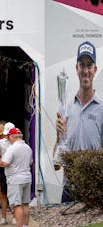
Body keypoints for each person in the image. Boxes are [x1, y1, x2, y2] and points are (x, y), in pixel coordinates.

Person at [55, 41, 103, 202]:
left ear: (95, 70)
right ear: (76, 69)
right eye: (82, 65)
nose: (85, 70)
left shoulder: (101, 109)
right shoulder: (66, 109)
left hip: (94, 190)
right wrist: (58, 136)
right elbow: (57, 162)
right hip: (70, 188)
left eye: (89, 65)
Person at [0, 128, 33, 227]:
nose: (8, 139)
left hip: (15, 179)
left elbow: (5, 163)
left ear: (13, 137)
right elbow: (31, 162)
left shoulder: (12, 148)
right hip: (27, 177)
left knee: (17, 205)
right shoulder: (28, 147)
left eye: (8, 137)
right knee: (25, 203)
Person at [0, 122, 16, 225]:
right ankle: (3, 217)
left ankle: (15, 216)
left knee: (15, 194)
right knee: (4, 193)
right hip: (4, 170)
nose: (7, 136)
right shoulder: (1, 143)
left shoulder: (17, 143)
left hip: (15, 171)